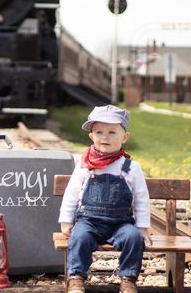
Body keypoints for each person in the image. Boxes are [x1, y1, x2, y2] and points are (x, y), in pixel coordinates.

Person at [58, 105, 152, 293]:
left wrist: (142, 227)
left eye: (112, 132)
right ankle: (76, 277)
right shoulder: (86, 164)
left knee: (133, 237)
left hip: (120, 223)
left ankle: (128, 279)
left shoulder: (131, 167)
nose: (105, 137)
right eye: (99, 132)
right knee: (79, 237)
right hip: (89, 221)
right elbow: (72, 193)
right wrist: (66, 220)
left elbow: (142, 198)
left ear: (124, 137)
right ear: (91, 136)